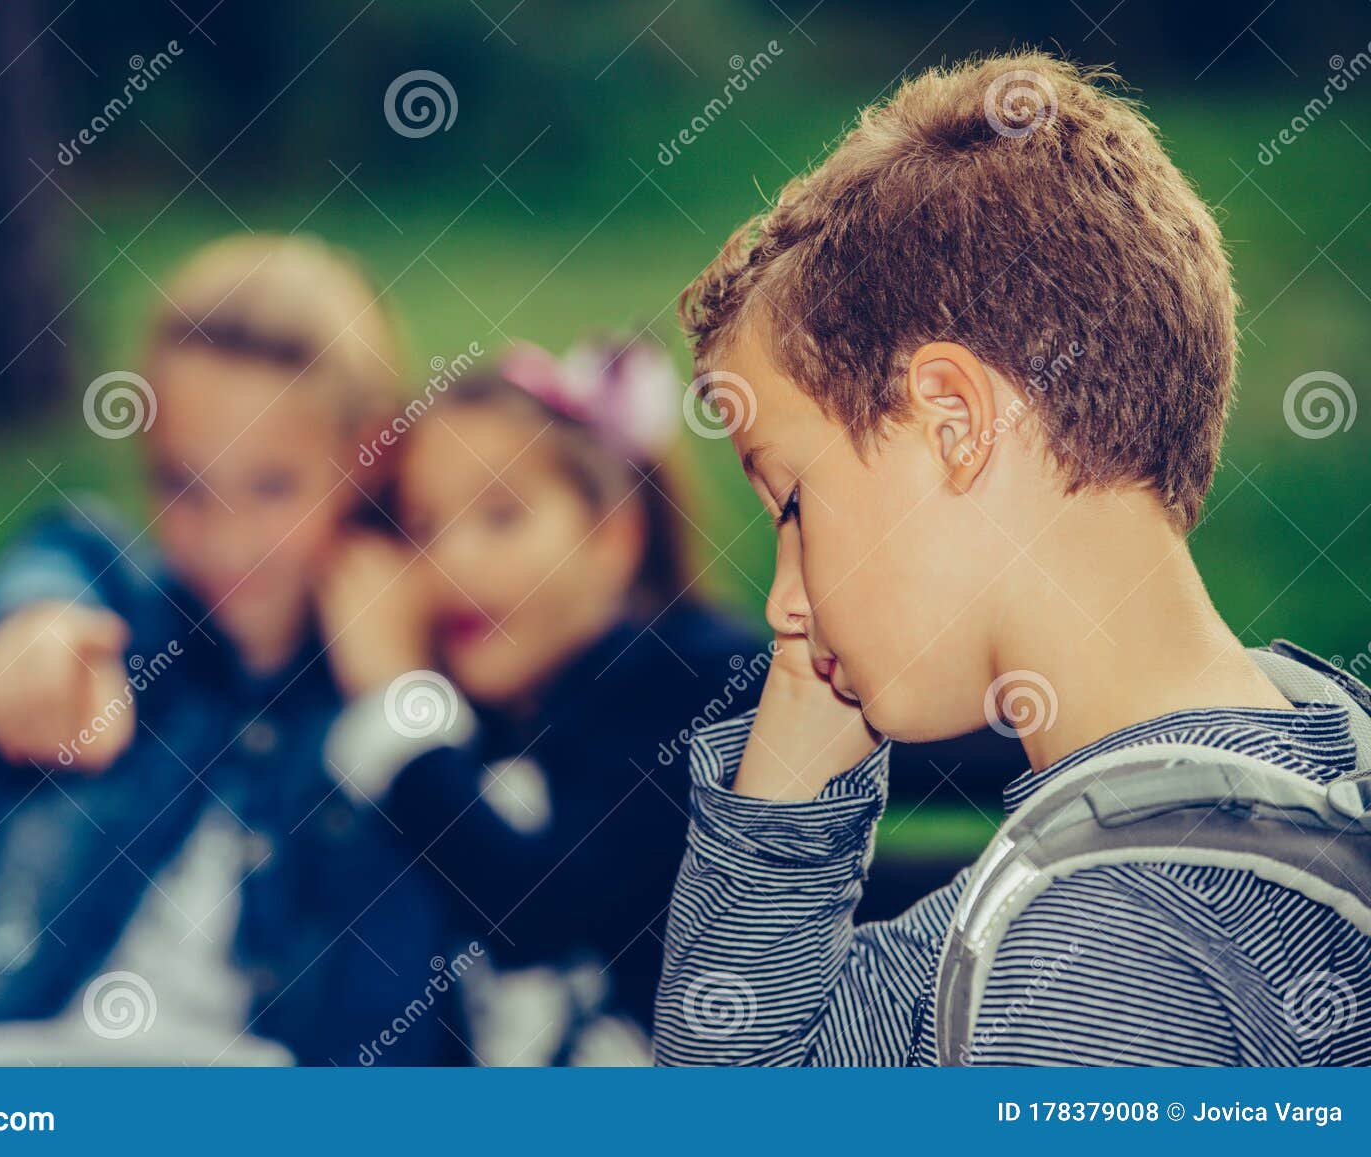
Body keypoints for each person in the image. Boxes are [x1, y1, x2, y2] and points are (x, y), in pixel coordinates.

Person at [652, 51, 1371, 1066]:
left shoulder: (1094, 958)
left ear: (952, 418)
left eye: (794, 506)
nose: (782, 606)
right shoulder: (1312, 762)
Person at [0, 234, 466, 1066]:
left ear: (368, 459)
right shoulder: (123, 619)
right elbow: (64, 558)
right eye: (183, 484)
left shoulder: (397, 683)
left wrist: (392, 692)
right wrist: (32, 623)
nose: (224, 541)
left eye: (271, 486)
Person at [317, 339, 768, 1065]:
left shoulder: (699, 681)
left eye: (501, 516)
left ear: (612, 534)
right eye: (423, 526)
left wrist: (395, 704)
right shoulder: (479, 722)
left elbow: (543, 908)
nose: (452, 559)